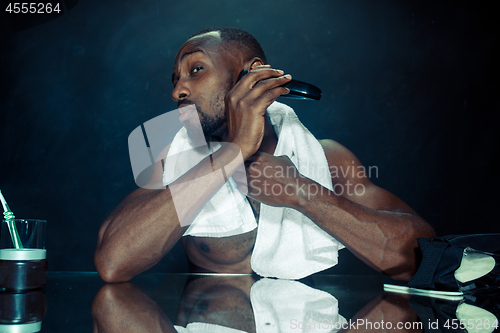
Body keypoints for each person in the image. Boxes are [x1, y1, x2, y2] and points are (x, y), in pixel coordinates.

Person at [94, 27, 436, 283]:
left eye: (195, 69)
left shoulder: (329, 159)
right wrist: (232, 154)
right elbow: (112, 263)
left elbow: (426, 256)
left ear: (253, 72)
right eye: (175, 79)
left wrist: (303, 193)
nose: (177, 91)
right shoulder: (180, 161)